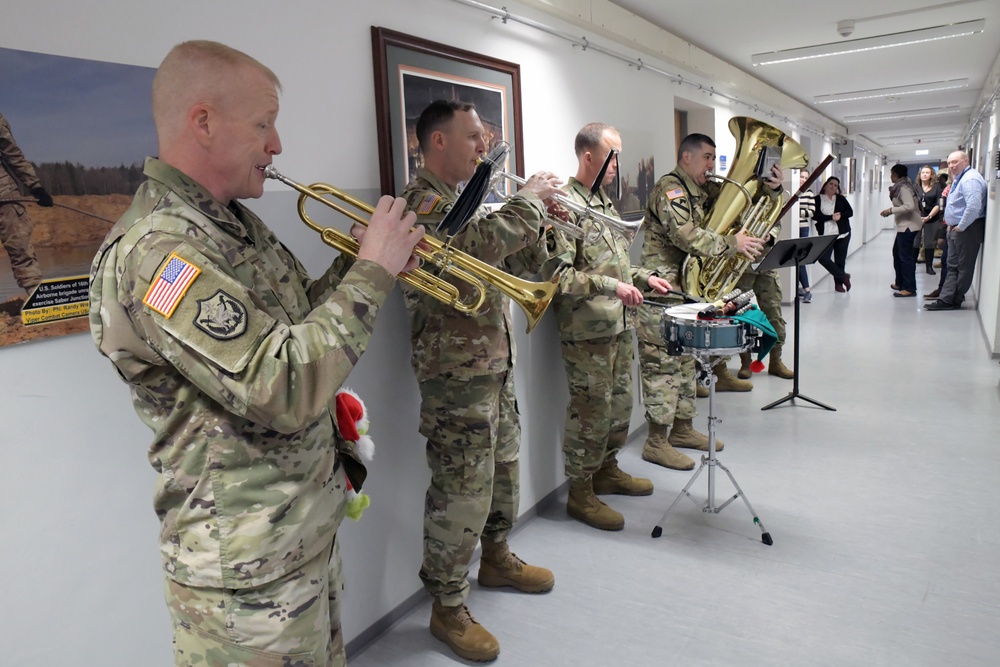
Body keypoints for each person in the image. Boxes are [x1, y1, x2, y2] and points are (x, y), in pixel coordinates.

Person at [88, 41, 424, 667]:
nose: (277, 145)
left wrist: (358, 264)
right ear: (204, 122)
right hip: (244, 581)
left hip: (296, 542)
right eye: (264, 124)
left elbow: (293, 331)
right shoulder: (160, 252)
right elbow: (283, 384)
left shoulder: (229, 223)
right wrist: (372, 274)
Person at [399, 99, 561, 662]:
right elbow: (463, 249)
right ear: (438, 141)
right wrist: (526, 203)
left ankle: (496, 557)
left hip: (493, 364)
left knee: (503, 472)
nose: (483, 147)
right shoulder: (418, 204)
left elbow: (521, 267)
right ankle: (447, 606)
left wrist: (542, 223)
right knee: (461, 489)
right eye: (473, 137)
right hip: (454, 376)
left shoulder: (467, 202)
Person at [537, 123, 671, 532]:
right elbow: (559, 277)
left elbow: (615, 264)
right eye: (612, 155)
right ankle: (580, 493)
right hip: (587, 332)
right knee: (590, 413)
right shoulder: (563, 206)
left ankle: (606, 471)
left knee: (619, 407)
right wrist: (614, 287)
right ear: (588, 156)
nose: (617, 164)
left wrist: (643, 276)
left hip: (619, 324)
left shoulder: (603, 204)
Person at [636, 133, 774, 471]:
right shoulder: (671, 189)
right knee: (662, 369)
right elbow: (684, 235)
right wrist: (731, 243)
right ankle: (656, 442)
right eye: (707, 157)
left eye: (714, 158)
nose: (712, 165)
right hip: (661, 292)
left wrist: (771, 189)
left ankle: (682, 429)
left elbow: (745, 204)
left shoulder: (700, 189)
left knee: (686, 364)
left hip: (687, 290)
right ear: (687, 157)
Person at [925, 150, 987, 311]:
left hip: (967, 229)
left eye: (955, 162)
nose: (951, 166)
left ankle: (955, 298)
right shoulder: (960, 178)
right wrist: (951, 224)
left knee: (963, 267)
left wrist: (961, 226)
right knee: (952, 265)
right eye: (949, 163)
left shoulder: (970, 179)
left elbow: (973, 207)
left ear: (966, 161)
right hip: (956, 228)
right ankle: (946, 299)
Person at [1, 111, 54, 297]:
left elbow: (11, 153)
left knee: (19, 244)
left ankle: (35, 295)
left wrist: (34, 186)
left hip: (3, 193)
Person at [881, 164, 921, 297]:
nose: (890, 177)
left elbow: (909, 206)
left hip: (909, 225)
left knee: (905, 257)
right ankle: (900, 282)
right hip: (904, 225)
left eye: (891, 174)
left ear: (896, 174)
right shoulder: (902, 186)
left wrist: (890, 210)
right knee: (897, 253)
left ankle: (909, 288)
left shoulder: (903, 188)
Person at [813, 176, 853, 292]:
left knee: (840, 260)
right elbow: (815, 216)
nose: (833, 186)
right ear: (825, 185)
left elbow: (850, 212)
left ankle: (838, 285)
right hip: (826, 234)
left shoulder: (840, 198)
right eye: (831, 184)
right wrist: (831, 217)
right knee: (823, 258)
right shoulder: (817, 199)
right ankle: (843, 277)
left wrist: (840, 215)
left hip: (843, 233)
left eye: (836, 185)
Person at [915, 165, 943, 275]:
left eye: (927, 173)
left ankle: (929, 266)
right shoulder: (916, 186)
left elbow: (939, 204)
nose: (925, 175)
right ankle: (912, 265)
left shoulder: (937, 187)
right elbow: (912, 201)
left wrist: (929, 216)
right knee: (915, 242)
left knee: (929, 243)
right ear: (920, 175)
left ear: (931, 175)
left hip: (932, 218)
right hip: (917, 217)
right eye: (923, 173)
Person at [797, 168, 816, 303]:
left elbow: (811, 212)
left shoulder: (809, 193)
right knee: (792, 260)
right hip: (792, 229)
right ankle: (798, 289)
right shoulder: (793, 192)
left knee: (801, 260)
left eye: (805, 178)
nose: (803, 180)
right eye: (801, 176)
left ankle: (807, 290)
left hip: (803, 229)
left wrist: (797, 211)